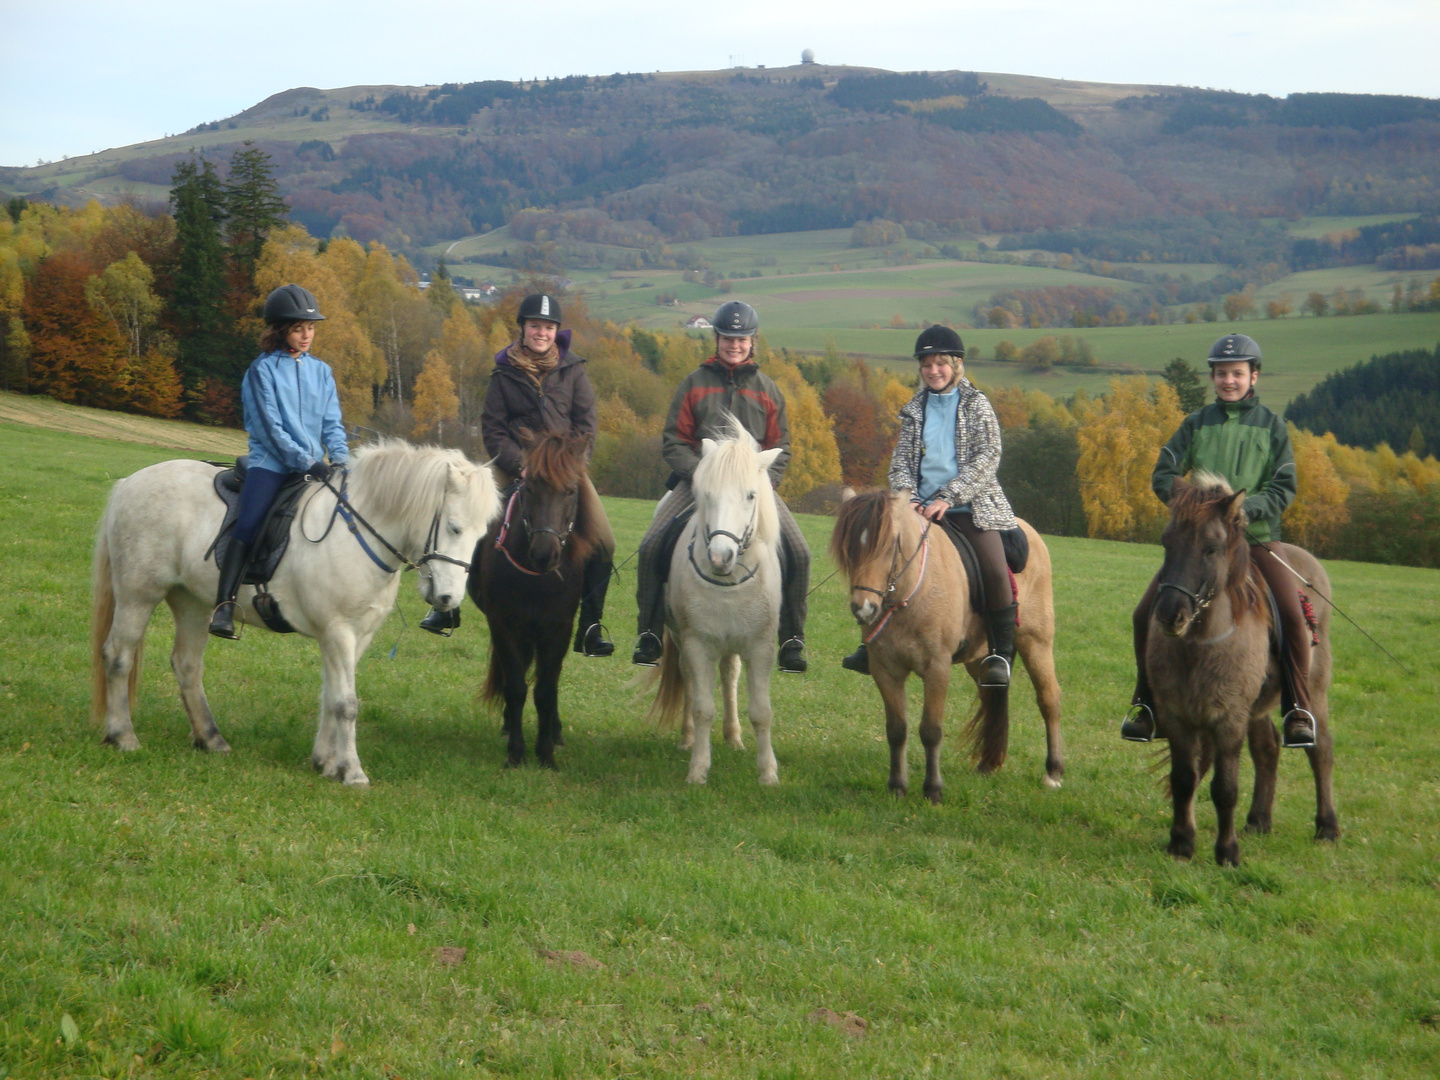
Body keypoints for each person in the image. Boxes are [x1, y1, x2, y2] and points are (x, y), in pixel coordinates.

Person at [1120, 332, 1315, 749]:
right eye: (1222, 373)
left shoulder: (1272, 426)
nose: (1229, 381)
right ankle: (1146, 703)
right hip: (1199, 546)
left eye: (1238, 374)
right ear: (1213, 377)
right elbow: (1164, 472)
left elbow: (1285, 487)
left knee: (1292, 618)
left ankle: (1297, 708)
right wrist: (1189, 505)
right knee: (1143, 615)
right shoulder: (1196, 423)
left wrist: (1248, 510)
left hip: (1256, 540)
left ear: (1254, 377)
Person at [419, 292, 617, 656]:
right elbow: (493, 429)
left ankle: (591, 625)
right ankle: (446, 607)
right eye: (535, 326)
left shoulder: (574, 370)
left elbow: (587, 425)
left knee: (604, 540)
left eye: (548, 327)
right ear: (523, 329)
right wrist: (519, 464)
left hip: (562, 470)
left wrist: (570, 465)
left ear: (557, 331)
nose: (541, 332)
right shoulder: (503, 374)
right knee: (468, 518)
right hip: (512, 466)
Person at [631, 300, 810, 673]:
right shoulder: (693, 384)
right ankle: (648, 633)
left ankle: (792, 638)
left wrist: (762, 486)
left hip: (752, 490)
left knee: (800, 551)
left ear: (752, 341)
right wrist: (702, 477)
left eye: (742, 339)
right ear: (717, 339)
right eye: (728, 337)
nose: (734, 344)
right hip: (697, 484)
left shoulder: (768, 390)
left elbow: (783, 447)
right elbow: (673, 441)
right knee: (650, 546)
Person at [842, 326, 1018, 684]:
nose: (933, 370)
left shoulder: (976, 404)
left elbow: (989, 456)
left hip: (971, 507)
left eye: (941, 363)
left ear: (956, 364)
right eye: (927, 364)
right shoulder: (914, 409)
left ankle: (1000, 653)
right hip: (918, 507)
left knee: (995, 569)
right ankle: (873, 642)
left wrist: (948, 497)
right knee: (882, 560)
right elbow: (901, 463)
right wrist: (912, 499)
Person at [211, 284, 348, 639]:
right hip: (271, 464)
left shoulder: (322, 371)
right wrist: (306, 461)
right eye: (298, 328)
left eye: (311, 328)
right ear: (280, 330)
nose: (307, 335)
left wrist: (342, 459)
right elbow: (269, 429)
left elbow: (332, 423)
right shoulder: (262, 371)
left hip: (315, 466)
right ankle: (223, 606)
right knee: (250, 523)